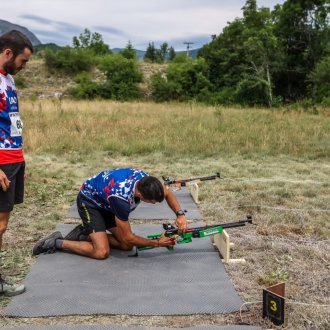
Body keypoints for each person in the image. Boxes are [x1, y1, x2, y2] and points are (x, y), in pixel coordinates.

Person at [33, 168, 189, 260]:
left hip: (106, 203)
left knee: (127, 246)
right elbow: (128, 236)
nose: (154, 204)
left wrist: (180, 214)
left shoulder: (146, 180)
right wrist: (158, 243)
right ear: (140, 195)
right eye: (152, 202)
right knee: (101, 252)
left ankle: (85, 234)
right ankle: (57, 242)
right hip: (89, 202)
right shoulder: (121, 199)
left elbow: (167, 194)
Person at [0, 30, 33, 296]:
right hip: (1, 161)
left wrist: (20, 153)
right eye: (23, 61)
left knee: (3, 223)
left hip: (14, 158)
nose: (23, 67)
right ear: (8, 53)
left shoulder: (8, 78)